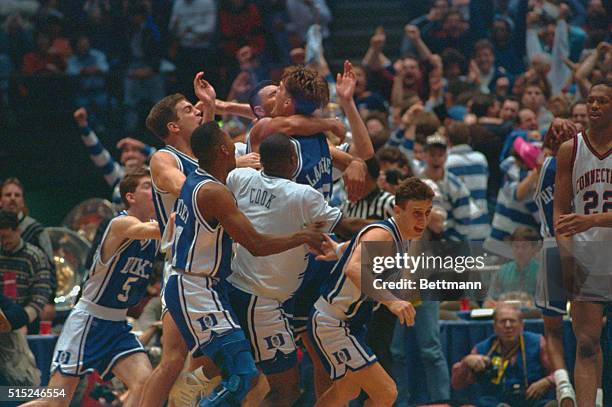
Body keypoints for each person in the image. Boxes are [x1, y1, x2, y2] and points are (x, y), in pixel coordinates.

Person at [164, 121, 326, 406]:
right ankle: (196, 388)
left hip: (204, 285)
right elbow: (257, 245)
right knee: (242, 374)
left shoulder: (200, 179)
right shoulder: (215, 192)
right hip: (195, 286)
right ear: (224, 149)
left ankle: (196, 384)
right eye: (229, 140)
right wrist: (301, 236)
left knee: (240, 371)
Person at [225, 134, 368, 406]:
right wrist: (387, 228)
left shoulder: (240, 178)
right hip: (262, 300)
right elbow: (345, 226)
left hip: (238, 288)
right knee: (286, 390)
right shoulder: (303, 195)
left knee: (254, 381)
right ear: (294, 160)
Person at [22, 169, 160, 407]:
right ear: (130, 196)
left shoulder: (154, 235)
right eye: (147, 186)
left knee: (145, 382)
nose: (154, 190)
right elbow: (148, 230)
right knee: (55, 402)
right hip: (90, 321)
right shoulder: (121, 223)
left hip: (117, 324)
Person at [308, 177, 434, 406]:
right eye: (417, 212)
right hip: (332, 322)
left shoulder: (401, 236)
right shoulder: (384, 234)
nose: (423, 219)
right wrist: (392, 301)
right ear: (398, 210)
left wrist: (338, 250)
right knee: (386, 393)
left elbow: (358, 243)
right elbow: (354, 268)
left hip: (346, 322)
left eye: (428, 212)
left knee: (348, 390)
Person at [553, 79, 612, 407]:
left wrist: (592, 220)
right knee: (587, 344)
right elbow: (561, 212)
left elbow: (580, 217)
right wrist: (566, 258)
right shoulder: (570, 150)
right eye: (591, 100)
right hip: (588, 255)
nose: (594, 106)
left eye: (602, 101)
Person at [534, 119, 578, 406]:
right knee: (591, 334)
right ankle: (595, 395)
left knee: (552, 328)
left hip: (552, 247)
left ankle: (563, 384)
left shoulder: (547, 166)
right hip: (588, 249)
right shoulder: (590, 166)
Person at [451, 303, 555, 407]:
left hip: (531, 400)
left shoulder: (538, 343)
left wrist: (546, 382)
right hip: (496, 402)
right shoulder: (482, 349)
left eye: (512, 321)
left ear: (522, 325)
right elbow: (457, 384)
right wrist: (465, 362)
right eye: (503, 322)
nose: (508, 325)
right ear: (495, 327)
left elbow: (558, 374)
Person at [0, 210, 53, 391]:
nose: (4, 242)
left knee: (25, 379)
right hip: (4, 322)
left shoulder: (36, 256)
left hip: (27, 322)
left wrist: (21, 320)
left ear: (18, 231)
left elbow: (41, 295)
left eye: (7, 237)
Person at [73, 108, 154, 207]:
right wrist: (83, 126)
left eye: (135, 150)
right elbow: (99, 154)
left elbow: (168, 160)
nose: (130, 154)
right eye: (126, 151)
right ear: (121, 158)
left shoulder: (154, 173)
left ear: (144, 157)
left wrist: (143, 146)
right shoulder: (118, 176)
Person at [485, 227, 541, 306]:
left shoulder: (542, 272)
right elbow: (489, 301)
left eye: (524, 247)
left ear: (534, 249)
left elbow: (545, 304)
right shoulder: (501, 272)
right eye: (516, 246)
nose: (519, 251)